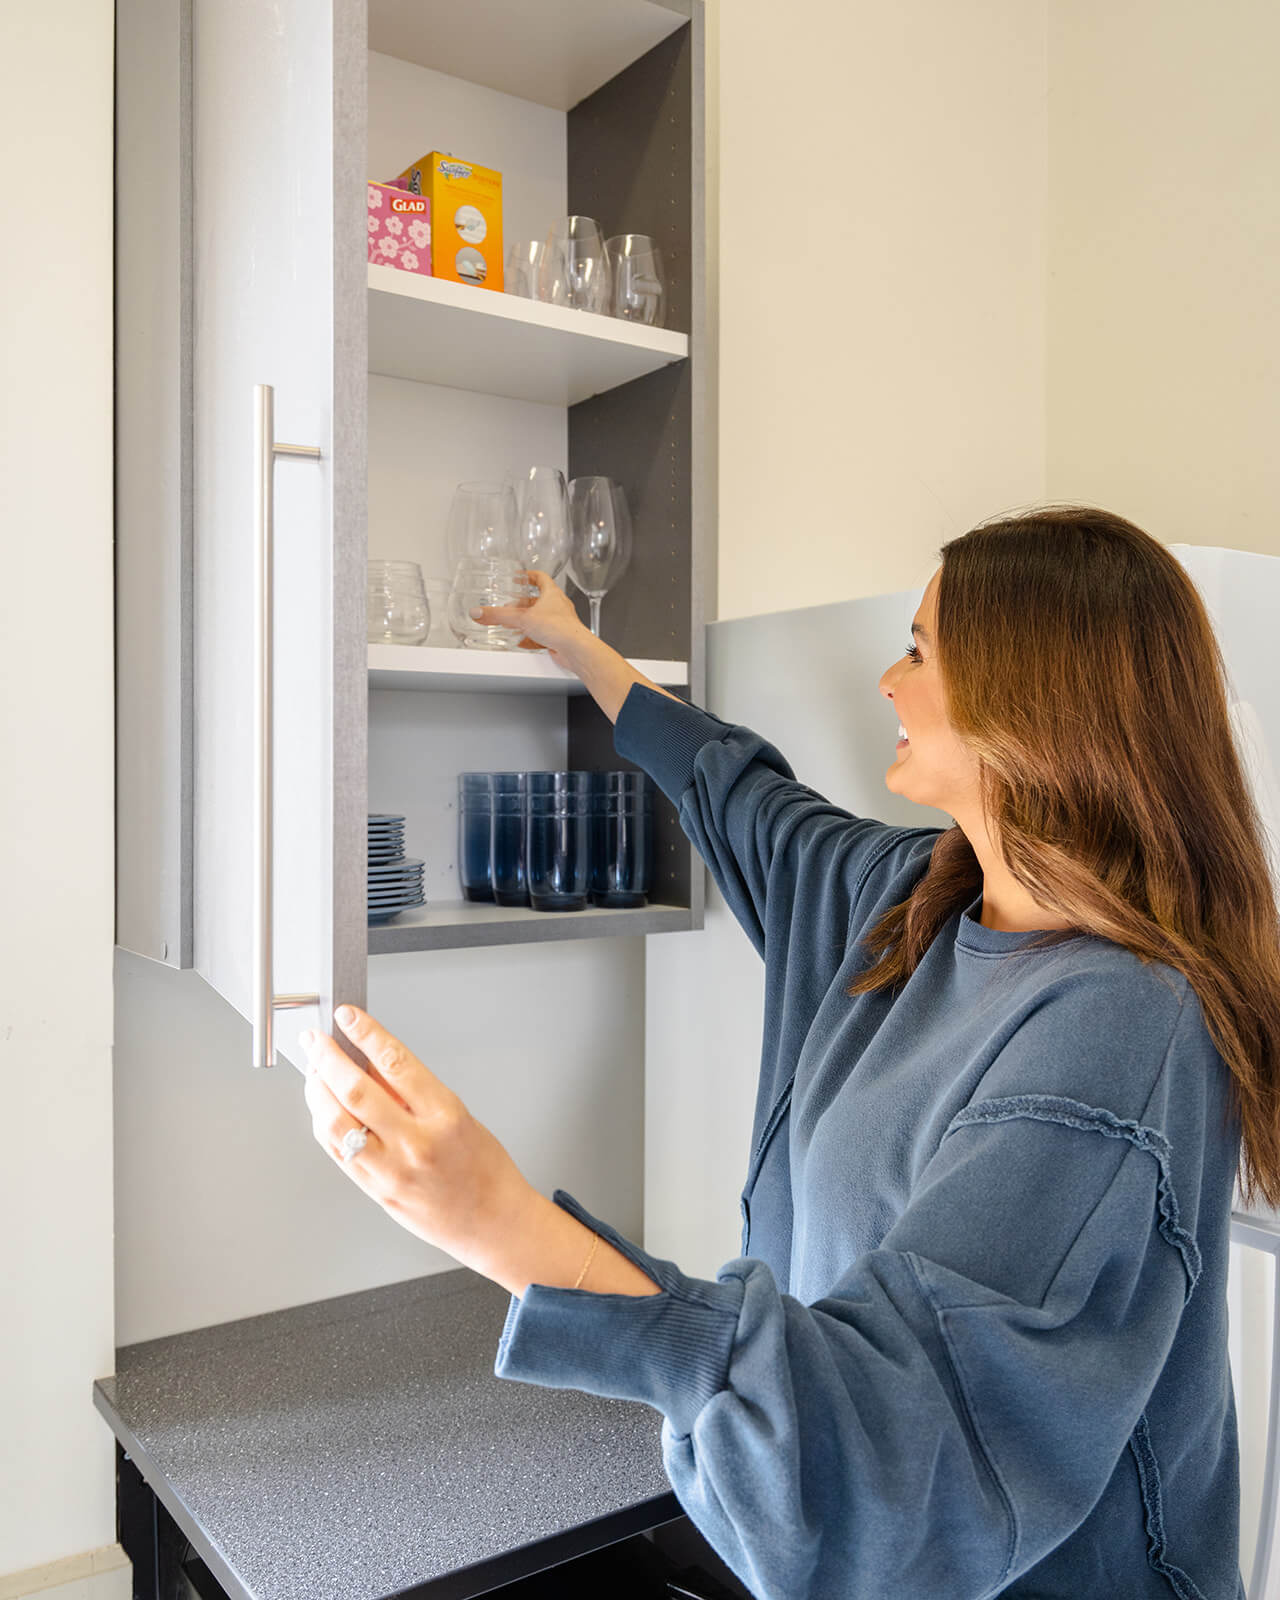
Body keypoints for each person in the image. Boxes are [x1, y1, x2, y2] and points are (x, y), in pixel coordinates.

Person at [299, 505, 1280, 1599]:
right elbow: (736, 792)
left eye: (918, 651)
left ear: (1029, 702)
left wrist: (502, 1224)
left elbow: (897, 1466)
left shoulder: (1120, 1028)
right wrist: (577, 645)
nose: (888, 682)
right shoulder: (912, 897)